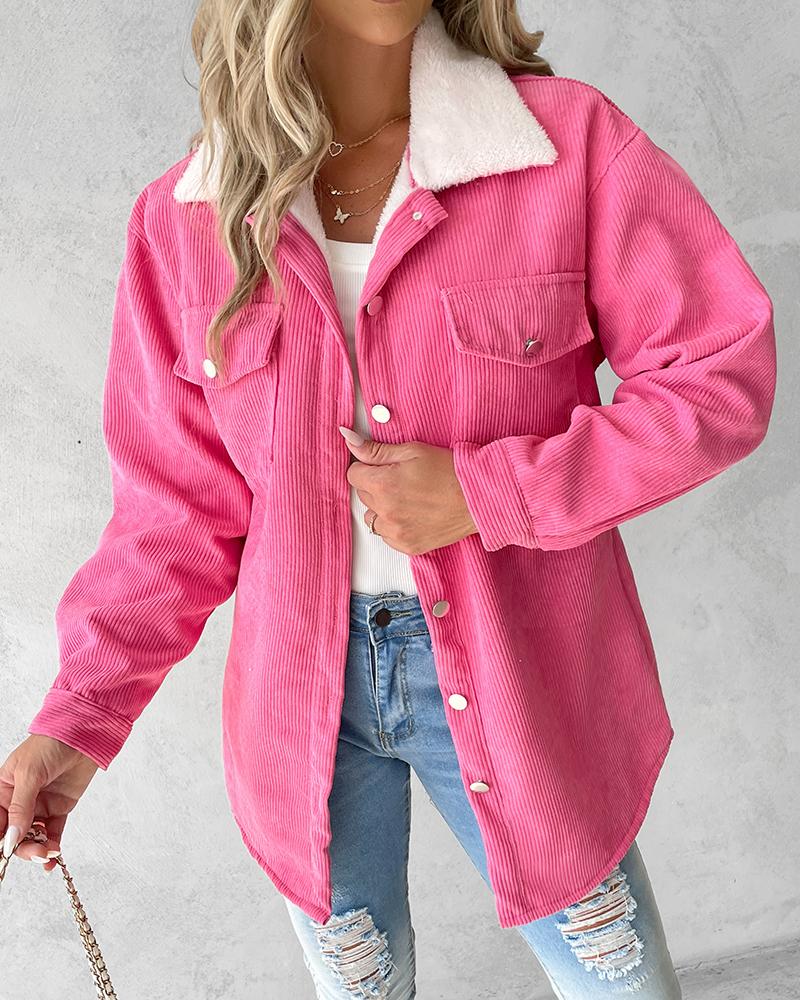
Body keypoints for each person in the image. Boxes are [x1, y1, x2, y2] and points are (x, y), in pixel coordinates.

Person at [2, 2, 776, 997]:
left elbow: (717, 378)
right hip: (299, 709)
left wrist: (490, 492)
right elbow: (173, 516)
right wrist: (77, 722)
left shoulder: (563, 147)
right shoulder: (184, 220)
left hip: (526, 683)